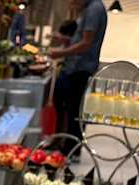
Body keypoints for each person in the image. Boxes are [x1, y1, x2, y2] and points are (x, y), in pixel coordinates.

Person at [46, 0, 108, 155]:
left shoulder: (94, 9)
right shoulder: (89, 8)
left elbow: (86, 44)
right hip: (74, 67)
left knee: (73, 111)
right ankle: (62, 143)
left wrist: (59, 53)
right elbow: (81, 39)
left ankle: (70, 150)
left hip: (80, 68)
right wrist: (66, 40)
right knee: (65, 105)